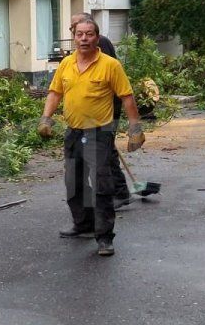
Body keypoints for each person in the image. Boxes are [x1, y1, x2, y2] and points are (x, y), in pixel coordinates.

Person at [38, 17, 145, 257]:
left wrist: (135, 128)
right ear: (74, 37)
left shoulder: (110, 65)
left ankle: (105, 237)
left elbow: (127, 96)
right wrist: (46, 118)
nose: (84, 39)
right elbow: (55, 92)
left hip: (99, 132)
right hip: (73, 131)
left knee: (101, 185)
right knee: (73, 182)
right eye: (79, 34)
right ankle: (83, 224)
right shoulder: (66, 63)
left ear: (97, 38)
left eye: (89, 34)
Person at [70, 13, 131, 208]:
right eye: (73, 29)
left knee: (106, 152)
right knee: (106, 150)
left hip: (107, 107)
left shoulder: (100, 44)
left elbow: (111, 79)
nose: (73, 31)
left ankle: (119, 192)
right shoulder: (80, 47)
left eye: (75, 25)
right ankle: (119, 190)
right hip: (92, 114)